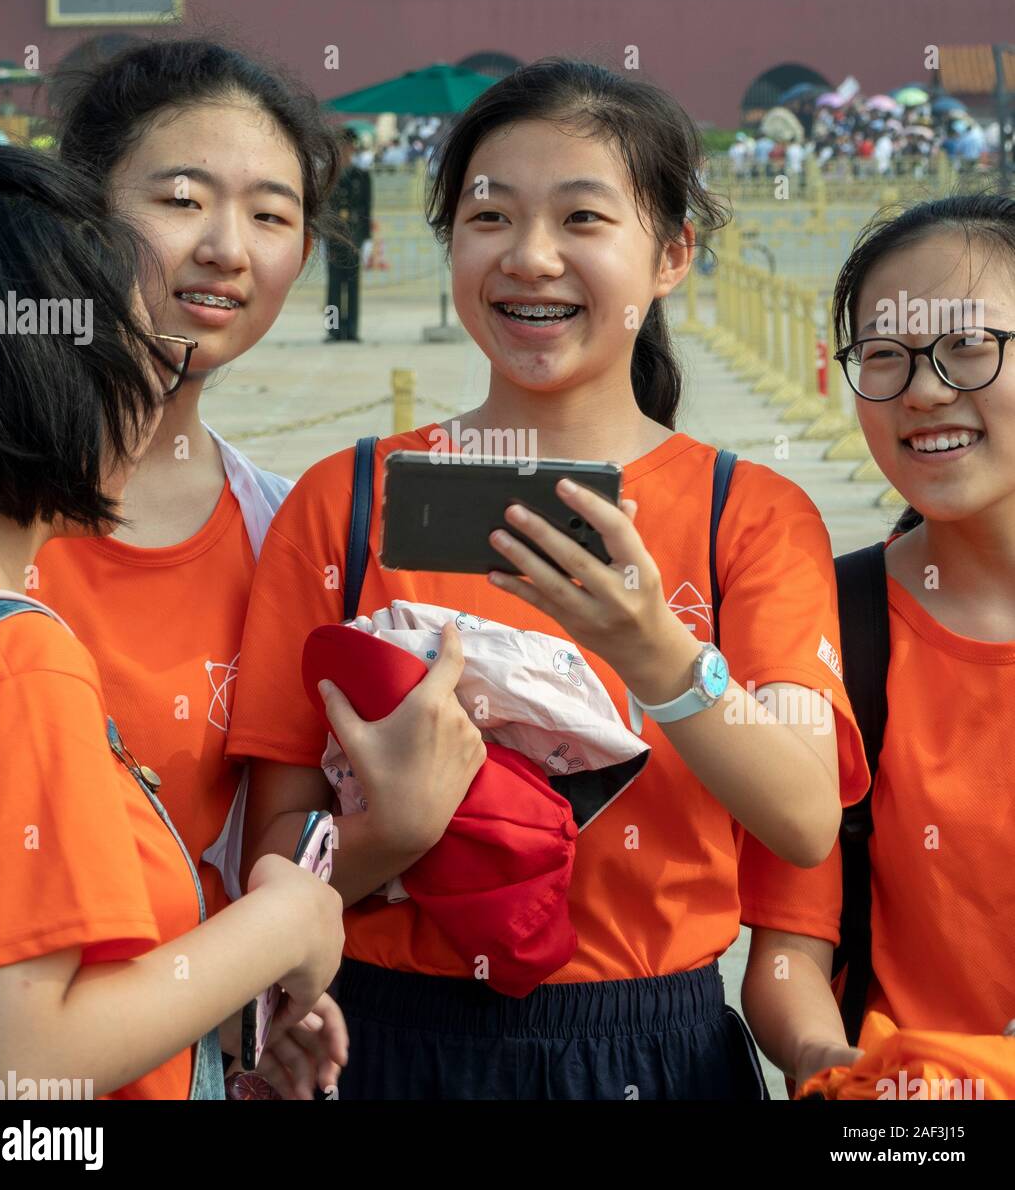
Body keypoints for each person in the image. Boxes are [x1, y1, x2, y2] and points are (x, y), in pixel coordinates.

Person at [227, 58, 869, 1101]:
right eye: (489, 217)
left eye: (581, 219)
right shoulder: (344, 501)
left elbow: (800, 815)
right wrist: (391, 831)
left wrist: (654, 651)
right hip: (383, 1040)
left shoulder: (747, 514)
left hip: (650, 1048)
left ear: (671, 253)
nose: (529, 259)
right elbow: (272, 857)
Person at [0, 146, 344, 1100]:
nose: (160, 388)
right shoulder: (14, 662)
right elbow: (14, 1066)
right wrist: (283, 924)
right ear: (43, 372)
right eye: (145, 352)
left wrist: (205, 1035)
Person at [35, 38, 340, 969]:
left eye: (271, 215)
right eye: (181, 200)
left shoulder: (287, 531)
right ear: (75, 209)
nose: (225, 248)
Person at [741, 195, 1015, 1089]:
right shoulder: (835, 621)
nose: (924, 389)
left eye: (969, 346)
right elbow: (789, 957)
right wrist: (836, 1067)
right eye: (885, 357)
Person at [324, 128, 372, 342]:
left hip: (354, 238)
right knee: (334, 288)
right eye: (341, 146)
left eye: (348, 146)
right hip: (334, 238)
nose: (345, 151)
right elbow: (323, 209)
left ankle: (352, 330)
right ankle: (333, 330)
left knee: (352, 286)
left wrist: (368, 239)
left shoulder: (361, 176)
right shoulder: (328, 175)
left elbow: (366, 210)